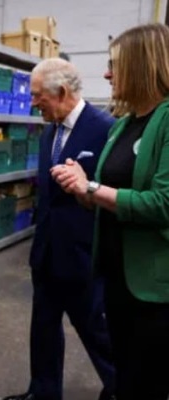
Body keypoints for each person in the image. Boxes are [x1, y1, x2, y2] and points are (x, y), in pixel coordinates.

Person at [52, 23, 169, 400]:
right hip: (116, 278)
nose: (106, 74)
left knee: (147, 382)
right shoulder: (123, 126)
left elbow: (163, 204)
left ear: (141, 65)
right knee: (125, 374)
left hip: (152, 291)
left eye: (113, 65)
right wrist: (81, 187)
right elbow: (107, 195)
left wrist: (91, 187)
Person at [3, 58, 116, 400]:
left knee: (97, 333)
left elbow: (115, 197)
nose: (32, 102)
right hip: (47, 254)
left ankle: (120, 389)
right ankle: (43, 392)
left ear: (62, 92)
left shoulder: (106, 130)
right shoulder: (49, 130)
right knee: (43, 330)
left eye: (38, 95)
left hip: (83, 258)